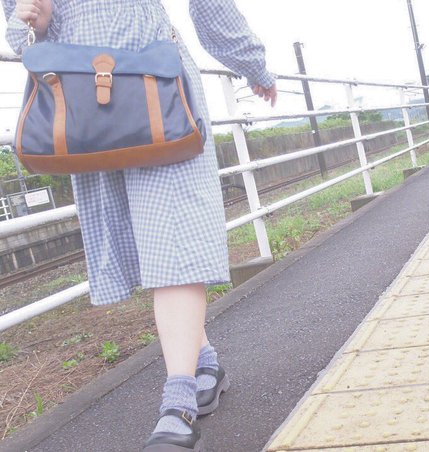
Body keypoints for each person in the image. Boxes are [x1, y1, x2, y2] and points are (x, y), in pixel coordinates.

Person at [2, 0, 277, 450]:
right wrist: (38, 21)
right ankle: (204, 363)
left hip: (139, 89)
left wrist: (251, 63)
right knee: (154, 240)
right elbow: (21, 30)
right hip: (93, 94)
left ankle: (179, 404)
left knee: (173, 239)